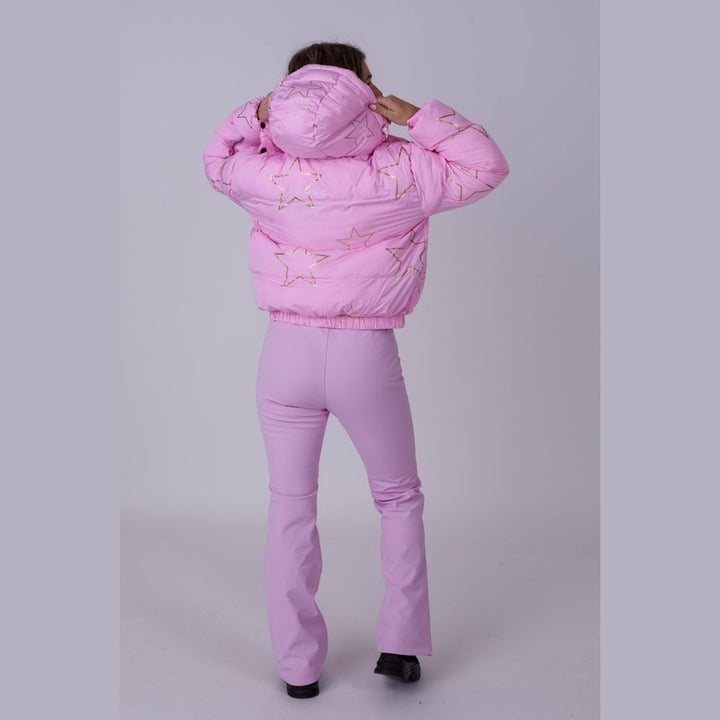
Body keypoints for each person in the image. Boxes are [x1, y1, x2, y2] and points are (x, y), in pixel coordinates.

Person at [202, 41, 509, 699]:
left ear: (289, 96)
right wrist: (418, 116)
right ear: (364, 90)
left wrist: (255, 115)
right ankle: (400, 646)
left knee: (290, 504)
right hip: (364, 353)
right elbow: (486, 166)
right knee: (397, 497)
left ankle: (298, 670)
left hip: (283, 354)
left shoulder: (264, 172)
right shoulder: (404, 165)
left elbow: (216, 159)